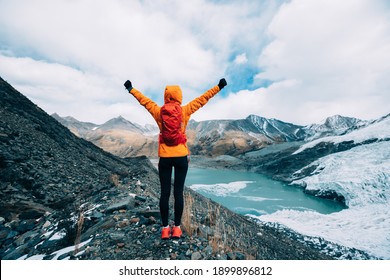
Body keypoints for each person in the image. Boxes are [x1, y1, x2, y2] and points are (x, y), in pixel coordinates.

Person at [123, 78, 227, 239]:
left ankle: (165, 229)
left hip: (164, 158)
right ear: (179, 96)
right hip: (181, 158)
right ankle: (177, 228)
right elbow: (203, 99)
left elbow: (144, 101)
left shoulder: (158, 112)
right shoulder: (185, 111)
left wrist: (131, 89)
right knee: (178, 193)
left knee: (165, 194)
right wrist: (218, 87)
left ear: (166, 97)